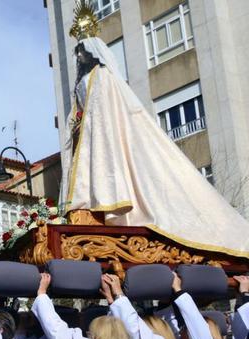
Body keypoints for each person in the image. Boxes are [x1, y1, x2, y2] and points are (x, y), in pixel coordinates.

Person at [60, 32, 249, 256]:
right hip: (88, 137)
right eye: (77, 53)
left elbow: (103, 113)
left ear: (93, 51)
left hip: (102, 133)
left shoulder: (103, 75)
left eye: (82, 51)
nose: (79, 56)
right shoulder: (85, 80)